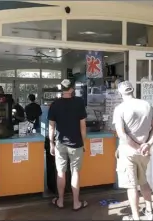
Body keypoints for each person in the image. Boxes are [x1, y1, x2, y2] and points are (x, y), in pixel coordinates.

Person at [113, 81, 153, 221]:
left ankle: (135, 217)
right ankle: (150, 212)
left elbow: (121, 134)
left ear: (120, 92)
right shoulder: (147, 105)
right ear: (133, 90)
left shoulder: (120, 108)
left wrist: (135, 146)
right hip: (144, 152)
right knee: (143, 181)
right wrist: (147, 144)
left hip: (128, 152)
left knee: (131, 186)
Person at [47, 79, 88, 211]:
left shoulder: (55, 105)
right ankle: (76, 203)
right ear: (72, 89)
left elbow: (51, 128)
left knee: (61, 172)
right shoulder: (79, 103)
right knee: (75, 172)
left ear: (62, 89)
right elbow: (83, 126)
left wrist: (51, 144)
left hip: (60, 143)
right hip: (76, 143)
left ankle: (60, 201)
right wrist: (84, 143)